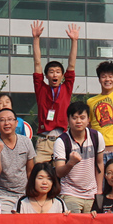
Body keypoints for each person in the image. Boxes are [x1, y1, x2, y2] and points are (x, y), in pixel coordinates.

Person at [31, 21, 80, 163]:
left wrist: (74, 41)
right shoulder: (41, 88)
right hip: (44, 141)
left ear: (62, 76)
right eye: (51, 72)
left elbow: (71, 64)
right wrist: (36, 39)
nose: (55, 74)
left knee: (63, 173)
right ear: (46, 76)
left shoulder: (66, 87)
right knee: (39, 172)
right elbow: (37, 63)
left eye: (58, 72)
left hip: (62, 140)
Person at [53, 101, 105, 213]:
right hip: (70, 193)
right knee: (74, 223)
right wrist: (71, 163)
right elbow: (59, 172)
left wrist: (99, 191)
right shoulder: (61, 141)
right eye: (74, 118)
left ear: (88, 120)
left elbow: (100, 163)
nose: (78, 121)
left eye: (82, 117)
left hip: (92, 194)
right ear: (68, 120)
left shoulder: (96, 137)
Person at [0, 107, 35, 214]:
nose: (6, 123)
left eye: (10, 119)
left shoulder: (26, 142)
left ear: (16, 123)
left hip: (24, 193)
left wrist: (31, 193)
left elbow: (30, 170)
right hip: (2, 195)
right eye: (2, 120)